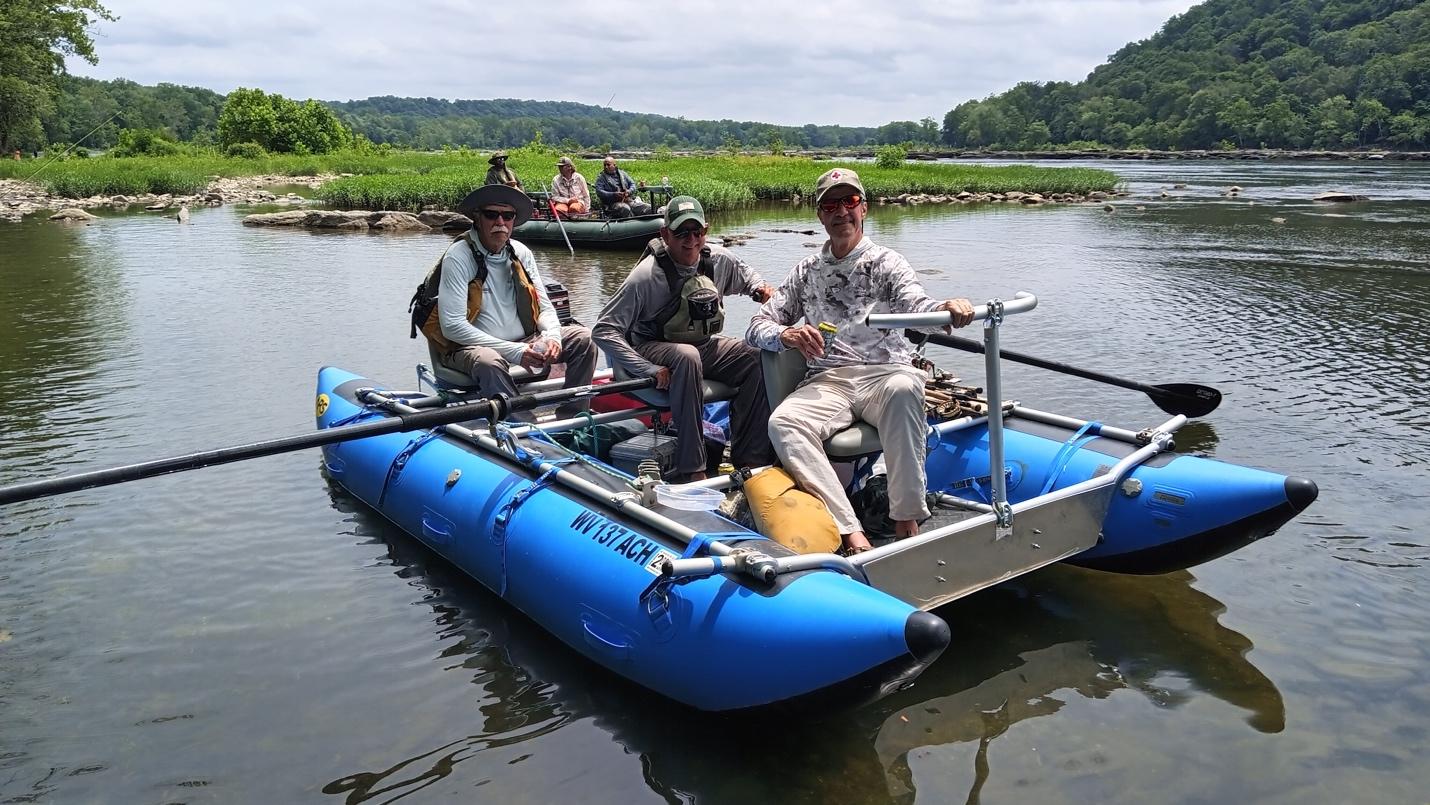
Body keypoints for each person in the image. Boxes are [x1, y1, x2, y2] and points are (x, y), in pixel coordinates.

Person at [746, 168, 976, 555]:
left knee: (906, 387)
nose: (841, 212)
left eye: (849, 202)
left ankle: (906, 518)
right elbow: (757, 324)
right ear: (820, 215)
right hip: (828, 378)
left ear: (864, 209)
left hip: (885, 373)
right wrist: (785, 334)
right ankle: (850, 531)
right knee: (783, 423)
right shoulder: (806, 271)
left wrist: (945, 310)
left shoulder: (887, 263)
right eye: (831, 204)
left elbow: (916, 305)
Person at [594, 196, 776, 481]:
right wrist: (648, 369)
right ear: (665, 234)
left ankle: (751, 460)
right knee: (686, 356)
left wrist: (760, 290)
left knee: (756, 355)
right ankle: (693, 468)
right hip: (651, 348)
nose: (690, 240)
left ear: (706, 230)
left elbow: (748, 276)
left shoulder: (717, 259)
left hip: (703, 344)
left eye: (697, 232)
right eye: (681, 233)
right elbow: (604, 330)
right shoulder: (645, 277)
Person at [420, 184, 594, 418]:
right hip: (471, 349)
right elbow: (452, 326)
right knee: (490, 362)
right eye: (492, 215)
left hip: (523, 340)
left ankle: (574, 417)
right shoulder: (458, 256)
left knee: (583, 338)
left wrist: (552, 336)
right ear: (477, 218)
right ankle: (525, 429)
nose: (500, 222)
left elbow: (544, 307)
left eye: (508, 216)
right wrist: (515, 351)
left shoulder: (521, 253)